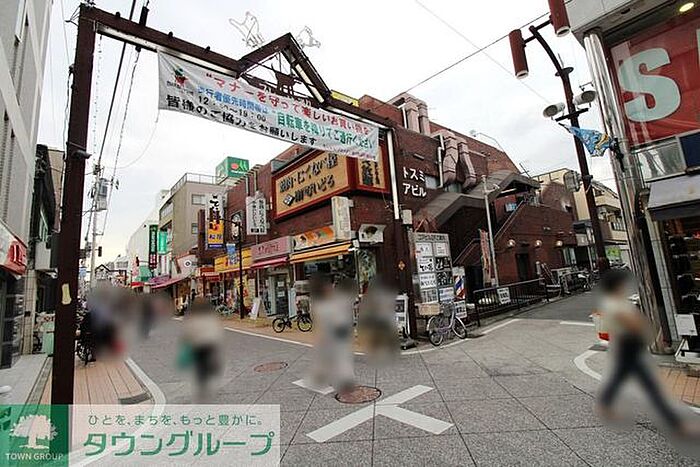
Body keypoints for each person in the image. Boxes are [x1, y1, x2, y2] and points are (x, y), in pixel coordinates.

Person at [596, 269, 692, 436]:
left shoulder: (614, 302)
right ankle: (675, 423)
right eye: (622, 284)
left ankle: (604, 404)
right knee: (650, 386)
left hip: (627, 347)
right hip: (627, 346)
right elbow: (633, 324)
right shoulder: (614, 304)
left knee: (621, 379)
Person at [181, 297, 224, 401]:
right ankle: (206, 381)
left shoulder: (192, 317)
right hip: (209, 344)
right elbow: (216, 331)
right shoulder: (211, 317)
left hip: (197, 345)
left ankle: (202, 385)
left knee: (200, 366)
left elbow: (188, 331)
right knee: (206, 364)